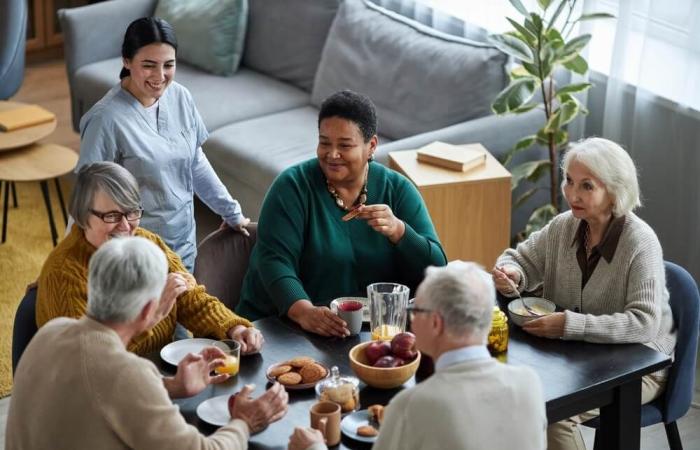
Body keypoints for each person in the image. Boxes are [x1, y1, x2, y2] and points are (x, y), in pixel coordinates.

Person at [8, 236, 287, 449]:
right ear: (147, 310)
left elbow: (97, 392)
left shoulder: (51, 331)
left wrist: (171, 386)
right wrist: (245, 422)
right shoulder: (126, 374)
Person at [491, 137, 677, 450]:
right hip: (580, 356)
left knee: (553, 416)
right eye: (569, 181)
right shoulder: (564, 226)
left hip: (640, 364)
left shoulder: (640, 243)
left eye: (587, 186)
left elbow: (644, 322)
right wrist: (514, 274)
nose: (572, 194)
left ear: (615, 190)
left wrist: (568, 325)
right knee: (508, 392)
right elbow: (517, 259)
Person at [236, 90, 447, 335]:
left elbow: (437, 269)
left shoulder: (397, 189)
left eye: (345, 145)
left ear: (372, 147)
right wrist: (304, 312)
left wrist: (400, 232)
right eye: (324, 142)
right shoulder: (292, 187)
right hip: (283, 325)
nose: (332, 154)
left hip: (374, 331)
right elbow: (274, 261)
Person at [288, 262, 547, 450]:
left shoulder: (412, 406)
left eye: (416, 309)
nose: (411, 319)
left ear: (435, 323)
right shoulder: (529, 384)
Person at [36, 162, 263, 356]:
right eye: (112, 216)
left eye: (132, 212)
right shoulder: (66, 274)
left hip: (153, 374)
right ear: (82, 217)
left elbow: (191, 300)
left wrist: (233, 328)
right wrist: (153, 314)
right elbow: (90, 362)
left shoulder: (148, 243)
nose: (125, 226)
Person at [77, 17, 249, 271]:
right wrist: (64, 261)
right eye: (149, 65)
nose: (160, 76)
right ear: (126, 60)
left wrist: (231, 212)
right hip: (134, 255)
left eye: (168, 65)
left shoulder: (180, 97)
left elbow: (195, 162)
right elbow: (86, 197)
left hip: (184, 244)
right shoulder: (106, 120)